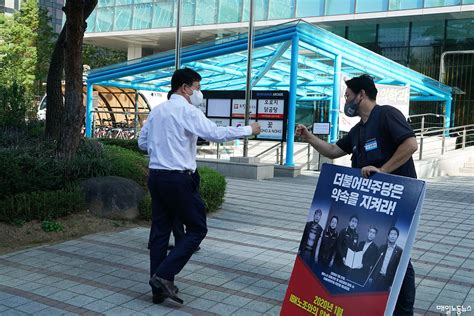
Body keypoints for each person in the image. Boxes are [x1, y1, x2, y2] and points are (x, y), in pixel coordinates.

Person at [296, 74, 418, 315]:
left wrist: (382, 171)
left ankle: (403, 311)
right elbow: (332, 151)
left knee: (399, 259)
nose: (345, 99)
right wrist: (309, 137)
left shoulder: (387, 114)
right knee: (391, 256)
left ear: (362, 94)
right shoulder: (358, 130)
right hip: (370, 204)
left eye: (348, 95)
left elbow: (410, 144)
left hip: (398, 202)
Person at [138, 68, 261, 304]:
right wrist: (248, 130)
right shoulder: (187, 110)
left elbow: (142, 143)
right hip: (179, 178)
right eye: (196, 87)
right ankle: (163, 276)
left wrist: (161, 146)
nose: (198, 92)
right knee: (197, 229)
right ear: (184, 88)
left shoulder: (157, 111)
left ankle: (158, 289)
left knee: (161, 232)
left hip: (156, 176)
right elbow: (214, 133)